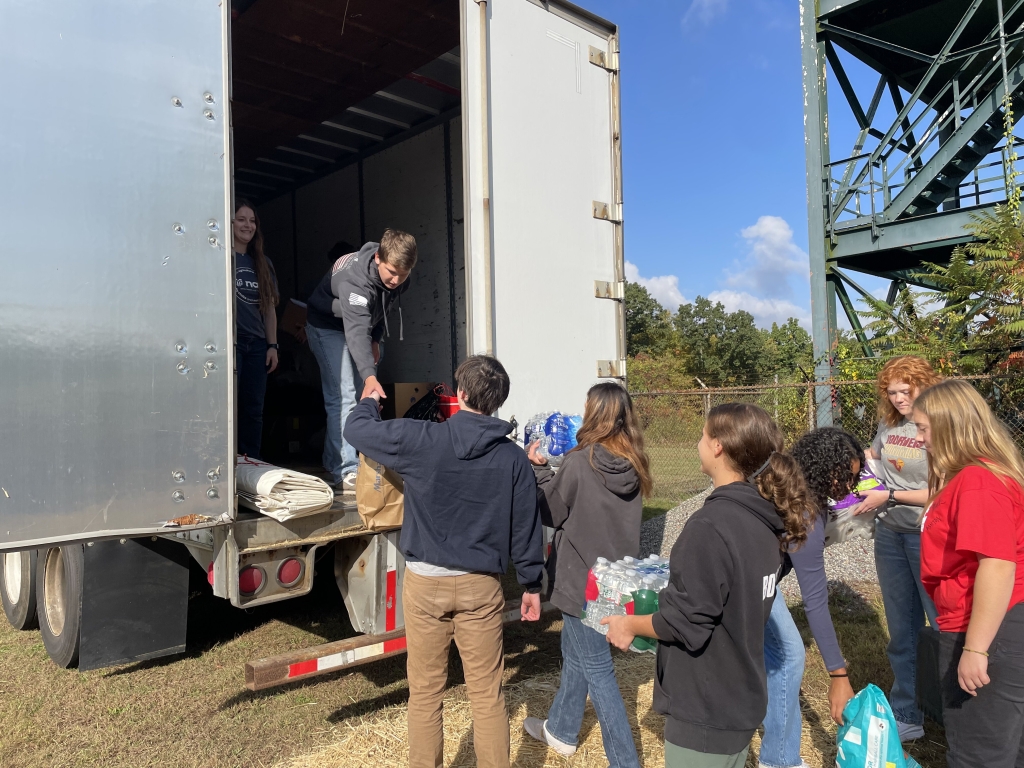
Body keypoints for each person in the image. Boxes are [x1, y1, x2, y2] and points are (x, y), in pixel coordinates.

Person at [343, 355, 544, 768]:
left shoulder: (423, 439)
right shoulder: (512, 459)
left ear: (460, 395)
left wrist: (369, 399)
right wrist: (532, 585)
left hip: (425, 583)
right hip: (481, 587)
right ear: (498, 401)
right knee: (487, 695)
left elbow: (356, 431)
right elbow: (526, 527)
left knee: (426, 693)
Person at [604, 403, 812, 768]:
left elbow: (686, 623)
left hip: (705, 709)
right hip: (739, 698)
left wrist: (628, 624)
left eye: (703, 435)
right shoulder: (765, 520)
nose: (698, 443)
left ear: (718, 446)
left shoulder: (711, 526)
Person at [522, 382, 652, 767]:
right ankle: (562, 730)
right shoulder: (635, 462)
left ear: (594, 413)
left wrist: (538, 470)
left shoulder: (582, 461)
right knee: (576, 653)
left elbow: (550, 511)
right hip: (614, 579)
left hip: (581, 579)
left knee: (599, 672)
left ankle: (625, 761)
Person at [914, 380, 1024, 768]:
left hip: (985, 629)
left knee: (979, 753)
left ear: (950, 428)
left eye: (924, 429)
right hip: (994, 625)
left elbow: (997, 564)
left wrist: (976, 649)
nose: (920, 440)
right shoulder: (977, 477)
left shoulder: (978, 481)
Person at [759, 427, 862, 768]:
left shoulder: (785, 483)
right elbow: (815, 601)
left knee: (767, 653)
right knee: (790, 655)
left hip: (741, 577)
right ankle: (780, 760)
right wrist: (838, 674)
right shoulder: (806, 516)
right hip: (746, 583)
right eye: (847, 478)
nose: (851, 488)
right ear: (825, 469)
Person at [852, 355, 942, 741]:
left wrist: (890, 494)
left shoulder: (938, 424)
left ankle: (954, 709)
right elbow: (874, 457)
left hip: (928, 535)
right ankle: (908, 712)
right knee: (901, 628)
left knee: (942, 626)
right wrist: (851, 460)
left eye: (907, 391)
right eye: (892, 392)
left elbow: (944, 490)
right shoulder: (888, 423)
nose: (900, 399)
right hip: (890, 533)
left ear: (925, 385)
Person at [305, 230, 417, 494]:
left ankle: (333, 461)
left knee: (361, 396)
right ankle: (345, 469)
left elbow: (381, 310)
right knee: (344, 394)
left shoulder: (399, 276)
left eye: (403, 273)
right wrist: (369, 375)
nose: (397, 279)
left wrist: (376, 339)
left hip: (360, 324)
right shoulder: (354, 281)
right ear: (378, 258)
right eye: (391, 272)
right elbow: (356, 331)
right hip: (327, 326)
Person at [233, 200, 279, 459]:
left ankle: (251, 463)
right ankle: (228, 463)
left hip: (258, 345)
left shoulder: (263, 263)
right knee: (230, 407)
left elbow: (270, 309)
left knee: (253, 408)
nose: (247, 225)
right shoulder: (223, 258)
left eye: (251, 221)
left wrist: (272, 345)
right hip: (234, 343)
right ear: (230, 223)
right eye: (241, 219)